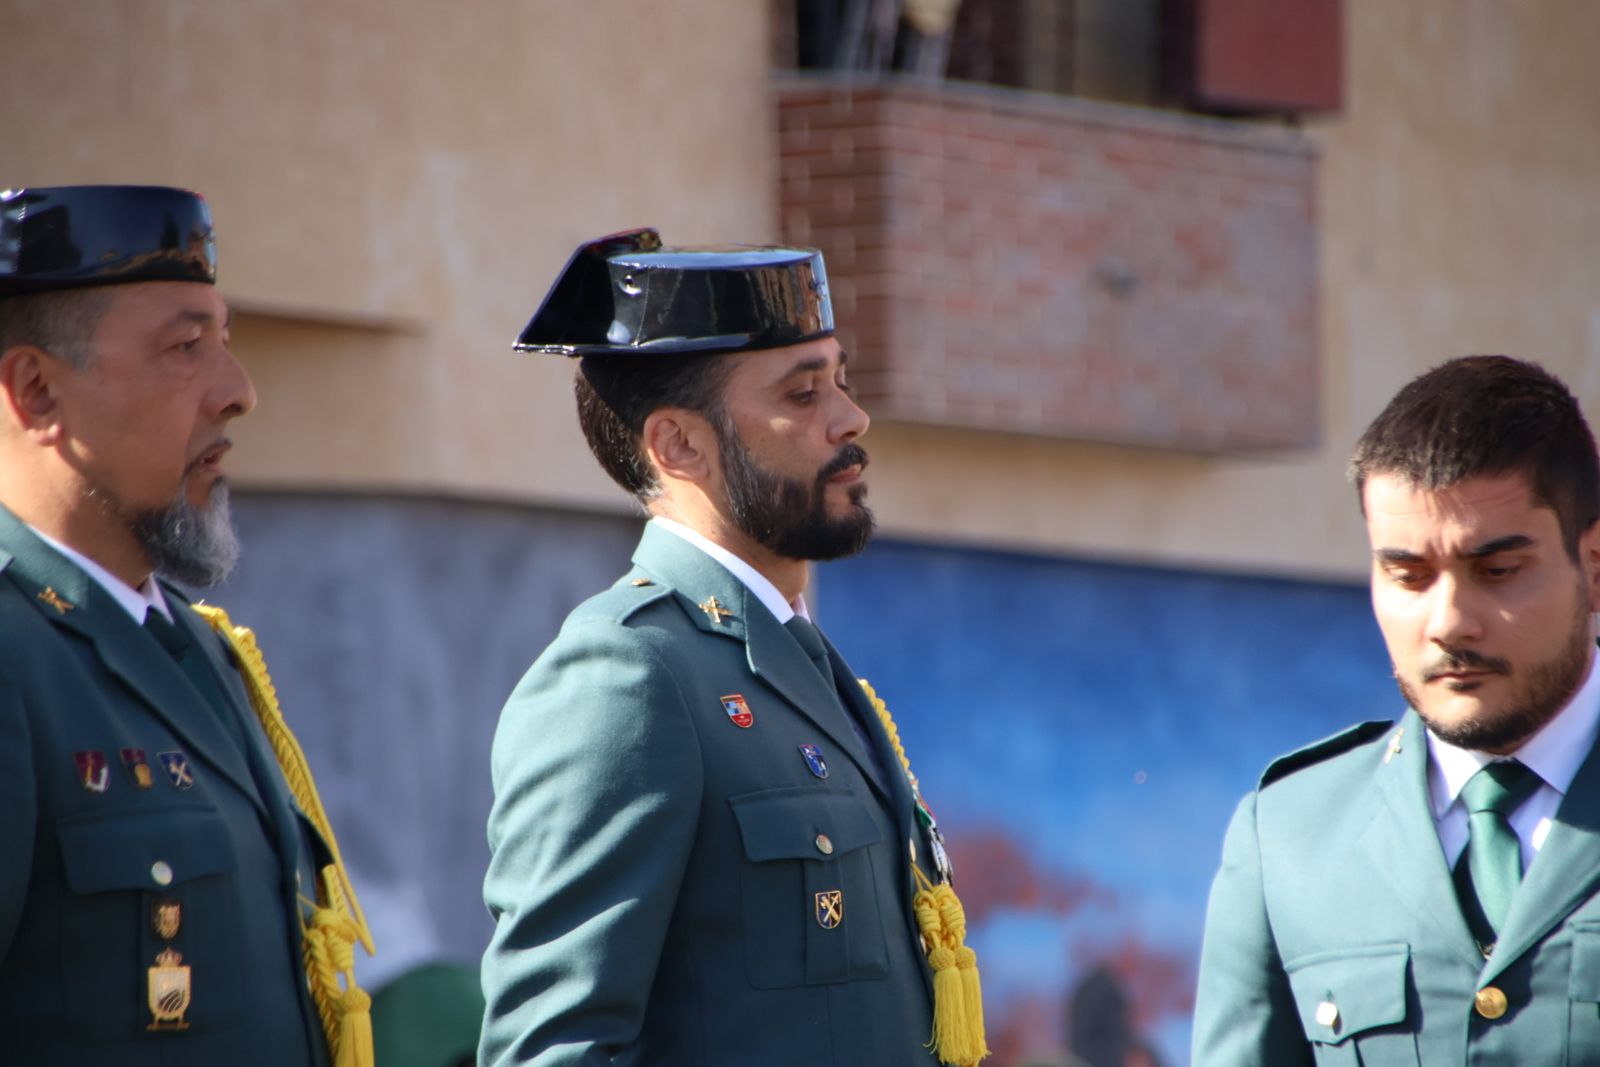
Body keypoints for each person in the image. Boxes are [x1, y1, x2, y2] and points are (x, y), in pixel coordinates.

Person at [480, 229, 986, 1067]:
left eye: (843, 381)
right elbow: (555, 1050)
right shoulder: (628, 675)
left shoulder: (796, 657)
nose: (851, 419)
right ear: (679, 445)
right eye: (802, 393)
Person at [0, 185, 371, 1065]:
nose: (238, 392)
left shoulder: (203, 650)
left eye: (227, 342)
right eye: (185, 348)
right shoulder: (16, 656)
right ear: (36, 389)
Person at [1193, 355, 1600, 1064]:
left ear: (1593, 566)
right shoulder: (1287, 837)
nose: (1448, 621)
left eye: (1498, 571)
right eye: (1407, 574)